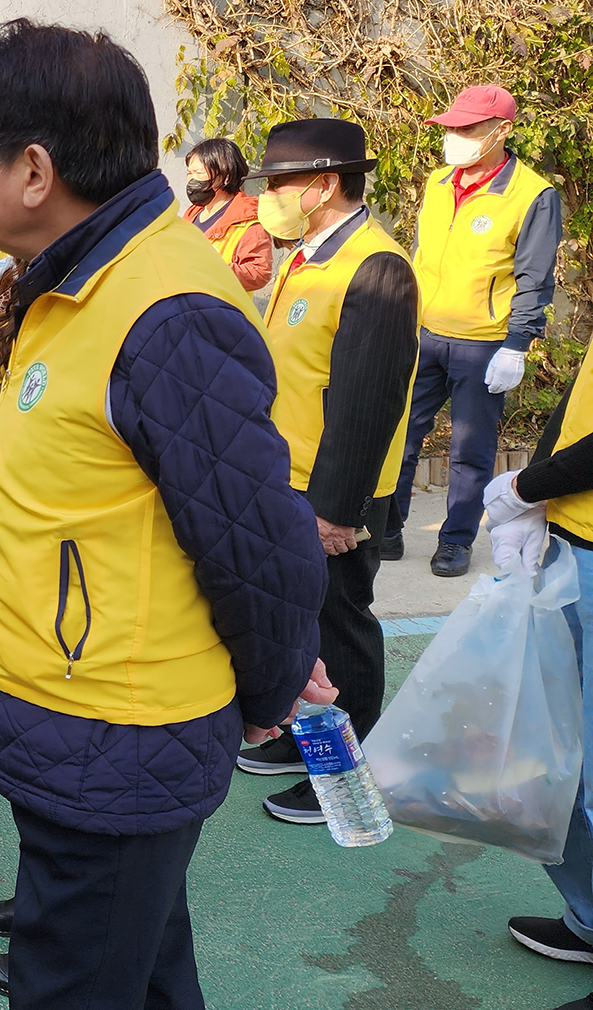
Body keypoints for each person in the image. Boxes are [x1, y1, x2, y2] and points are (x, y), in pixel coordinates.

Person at [0, 21, 327, 1006]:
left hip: (115, 733)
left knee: (76, 981)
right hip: (86, 727)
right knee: (147, 971)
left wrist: (268, 685)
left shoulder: (162, 308)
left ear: (33, 169)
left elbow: (260, 543)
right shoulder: (77, 280)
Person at [236, 118, 421, 824]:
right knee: (304, 623)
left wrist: (338, 508)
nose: (268, 197)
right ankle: (309, 744)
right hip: (289, 479)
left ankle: (345, 773)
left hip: (333, 490)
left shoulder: (375, 267)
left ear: (323, 184)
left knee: (340, 628)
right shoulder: (308, 258)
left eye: (279, 184)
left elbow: (367, 401)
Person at [388, 85, 563, 576]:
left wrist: (516, 346)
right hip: (423, 334)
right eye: (450, 127)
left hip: (483, 343)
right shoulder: (438, 183)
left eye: (466, 129)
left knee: (470, 451)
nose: (454, 137)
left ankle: (456, 541)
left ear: (502, 131)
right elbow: (423, 255)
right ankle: (388, 526)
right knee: (399, 434)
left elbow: (534, 278)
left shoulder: (532, 195)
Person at [487, 362, 593, 1010]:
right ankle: (588, 918)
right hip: (574, 541)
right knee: (565, 765)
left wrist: (527, 483)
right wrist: (536, 500)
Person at [181, 138, 273, 293]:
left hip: (219, 311)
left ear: (225, 176)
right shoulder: (192, 214)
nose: (191, 179)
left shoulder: (247, 221)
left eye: (198, 173)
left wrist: (209, 270)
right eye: (189, 173)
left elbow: (259, 272)